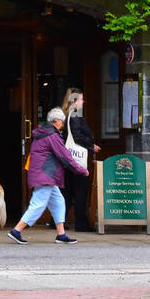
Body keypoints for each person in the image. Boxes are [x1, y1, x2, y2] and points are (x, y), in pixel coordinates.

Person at [9, 108, 88, 245]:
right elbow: (65, 157)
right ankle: (16, 230)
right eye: (62, 122)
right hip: (45, 175)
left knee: (59, 202)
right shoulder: (52, 136)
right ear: (57, 121)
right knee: (38, 204)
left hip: (44, 175)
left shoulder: (43, 133)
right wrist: (81, 170)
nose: (63, 125)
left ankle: (61, 234)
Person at [59, 88, 100, 232]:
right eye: (81, 99)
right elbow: (77, 137)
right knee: (80, 191)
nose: (83, 101)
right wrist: (91, 146)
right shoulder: (75, 115)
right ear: (74, 101)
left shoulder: (69, 114)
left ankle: (57, 220)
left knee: (68, 192)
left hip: (69, 159)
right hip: (77, 159)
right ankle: (81, 223)